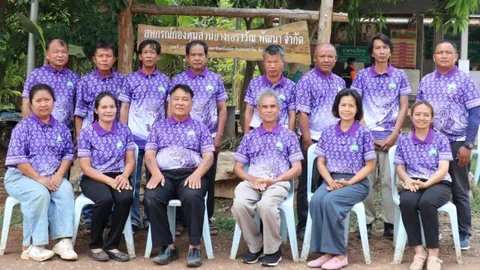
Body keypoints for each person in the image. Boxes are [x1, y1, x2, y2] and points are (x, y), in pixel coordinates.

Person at [416, 40, 480, 250]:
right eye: (439, 52)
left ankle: (463, 233)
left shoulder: (465, 81)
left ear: (455, 57)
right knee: (432, 186)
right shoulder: (426, 81)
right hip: (431, 144)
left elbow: (475, 114)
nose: (443, 56)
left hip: (457, 143)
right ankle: (435, 231)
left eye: (448, 53)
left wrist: (468, 145)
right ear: (434, 57)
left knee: (459, 189)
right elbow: (420, 112)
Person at [143, 84, 215, 267]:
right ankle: (168, 246)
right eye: (176, 99)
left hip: (190, 174)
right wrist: (156, 173)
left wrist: (198, 174)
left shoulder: (200, 128)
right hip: (164, 175)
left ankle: (195, 247)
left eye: (185, 99)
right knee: (151, 197)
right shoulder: (159, 126)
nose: (180, 103)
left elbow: (208, 156)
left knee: (193, 196)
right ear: (169, 102)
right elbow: (149, 153)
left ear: (191, 103)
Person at [4, 83, 77, 262]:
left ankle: (64, 241)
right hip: (21, 177)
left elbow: (68, 153)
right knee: (39, 193)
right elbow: (18, 160)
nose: (43, 104)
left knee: (66, 189)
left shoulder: (60, 128)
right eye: (38, 100)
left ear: (53, 102)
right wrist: (40, 179)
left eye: (47, 100)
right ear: (31, 104)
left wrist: (59, 175)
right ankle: (35, 245)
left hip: (52, 176)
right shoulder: (23, 127)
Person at [232, 89, 303, 267]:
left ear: (279, 110)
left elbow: (297, 168)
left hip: (278, 182)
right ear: (258, 110)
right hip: (253, 182)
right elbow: (237, 167)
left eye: (272, 106)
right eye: (264, 107)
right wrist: (252, 179)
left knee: (266, 205)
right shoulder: (250, 137)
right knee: (239, 204)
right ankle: (255, 246)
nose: (269, 110)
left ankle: (272, 249)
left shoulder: (289, 136)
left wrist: (277, 180)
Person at [307, 89, 375, 270]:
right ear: (337, 107)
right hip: (332, 179)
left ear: (357, 109)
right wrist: (329, 181)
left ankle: (340, 254)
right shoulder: (328, 132)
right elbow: (320, 162)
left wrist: (349, 182)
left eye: (351, 105)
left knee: (330, 201)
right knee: (316, 200)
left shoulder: (363, 133)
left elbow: (370, 166)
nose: (346, 109)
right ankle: (326, 253)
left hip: (356, 182)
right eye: (343, 105)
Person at [351, 33, 411, 238]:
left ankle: (390, 222)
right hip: (366, 139)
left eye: (385, 47)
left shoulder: (399, 75)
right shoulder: (362, 76)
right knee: (366, 180)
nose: (382, 51)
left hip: (391, 138)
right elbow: (355, 106)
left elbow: (404, 107)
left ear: (390, 51)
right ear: (371, 53)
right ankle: (367, 221)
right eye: (377, 48)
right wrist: (367, 135)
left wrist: (394, 135)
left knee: (389, 180)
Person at [170, 40, 228, 236]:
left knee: (207, 179)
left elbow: (222, 109)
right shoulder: (178, 80)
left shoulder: (215, 79)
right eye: (192, 55)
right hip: (180, 140)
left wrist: (219, 135)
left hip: (209, 139)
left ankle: (206, 218)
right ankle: (179, 221)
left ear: (206, 56)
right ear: (187, 57)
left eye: (200, 54)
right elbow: (170, 108)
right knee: (179, 175)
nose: (196, 58)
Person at [119, 39, 171, 231]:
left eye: (153, 52)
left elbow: (169, 108)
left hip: (156, 142)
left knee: (155, 180)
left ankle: (151, 218)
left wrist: (167, 135)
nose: (149, 55)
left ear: (158, 56)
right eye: (145, 52)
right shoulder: (130, 80)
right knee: (131, 180)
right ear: (139, 56)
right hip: (133, 139)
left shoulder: (165, 81)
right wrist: (124, 133)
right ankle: (132, 219)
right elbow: (124, 107)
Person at [295, 43, 346, 238]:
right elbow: (303, 112)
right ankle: (304, 224)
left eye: (330, 56)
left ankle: (325, 224)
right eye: (322, 56)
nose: (326, 60)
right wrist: (307, 141)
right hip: (313, 140)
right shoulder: (306, 81)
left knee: (329, 182)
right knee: (308, 182)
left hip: (335, 142)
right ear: (314, 58)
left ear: (335, 59)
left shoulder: (340, 83)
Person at [395, 101, 453, 270]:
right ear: (411, 116)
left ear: (432, 118)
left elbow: (443, 169)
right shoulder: (404, 140)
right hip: (413, 181)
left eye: (426, 115)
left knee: (427, 203)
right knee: (407, 202)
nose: (422, 118)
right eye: (418, 114)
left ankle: (434, 255)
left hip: (438, 182)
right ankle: (419, 252)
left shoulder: (441, 139)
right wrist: (407, 180)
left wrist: (427, 184)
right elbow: (400, 167)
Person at [78, 92, 135, 262]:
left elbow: (130, 161)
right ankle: (95, 245)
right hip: (93, 176)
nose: (108, 110)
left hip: (119, 175)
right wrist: (109, 181)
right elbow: (85, 167)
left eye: (112, 107)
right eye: (104, 107)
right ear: (96, 110)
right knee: (105, 199)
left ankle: (112, 244)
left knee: (125, 197)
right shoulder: (87, 132)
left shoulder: (124, 130)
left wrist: (124, 176)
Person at [75, 41, 125, 229]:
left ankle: (112, 217)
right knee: (91, 171)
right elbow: (79, 112)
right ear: (94, 59)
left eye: (108, 56)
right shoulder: (85, 81)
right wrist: (80, 138)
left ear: (114, 59)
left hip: (115, 134)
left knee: (114, 171)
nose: (104, 59)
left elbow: (124, 107)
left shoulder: (121, 80)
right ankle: (90, 217)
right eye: (101, 56)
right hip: (91, 135)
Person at [22, 39, 79, 130]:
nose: (60, 55)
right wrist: (28, 129)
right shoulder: (36, 75)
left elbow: (78, 107)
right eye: (56, 52)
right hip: (39, 130)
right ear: (47, 55)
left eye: (64, 52)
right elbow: (26, 103)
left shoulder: (74, 78)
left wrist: (77, 133)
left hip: (66, 131)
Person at [244, 45, 296, 132]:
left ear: (283, 61)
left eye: (276, 62)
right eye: (269, 62)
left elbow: (292, 114)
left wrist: (290, 137)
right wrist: (246, 136)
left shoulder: (291, 86)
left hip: (282, 134)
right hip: (257, 135)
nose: (272, 66)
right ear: (264, 62)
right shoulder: (254, 83)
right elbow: (249, 111)